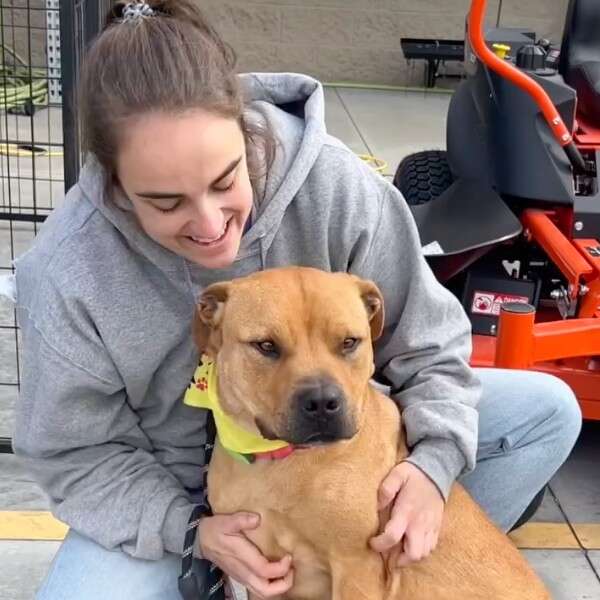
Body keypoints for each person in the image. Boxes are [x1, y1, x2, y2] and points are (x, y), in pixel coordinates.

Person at [12, 1, 581, 599]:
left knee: (545, 411)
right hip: (171, 489)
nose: (210, 224)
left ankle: (392, 554)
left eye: (225, 180)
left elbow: (430, 344)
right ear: (116, 184)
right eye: (165, 202)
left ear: (244, 131)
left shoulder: (334, 187)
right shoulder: (69, 270)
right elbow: (73, 452)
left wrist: (430, 470)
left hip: (335, 464)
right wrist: (188, 530)